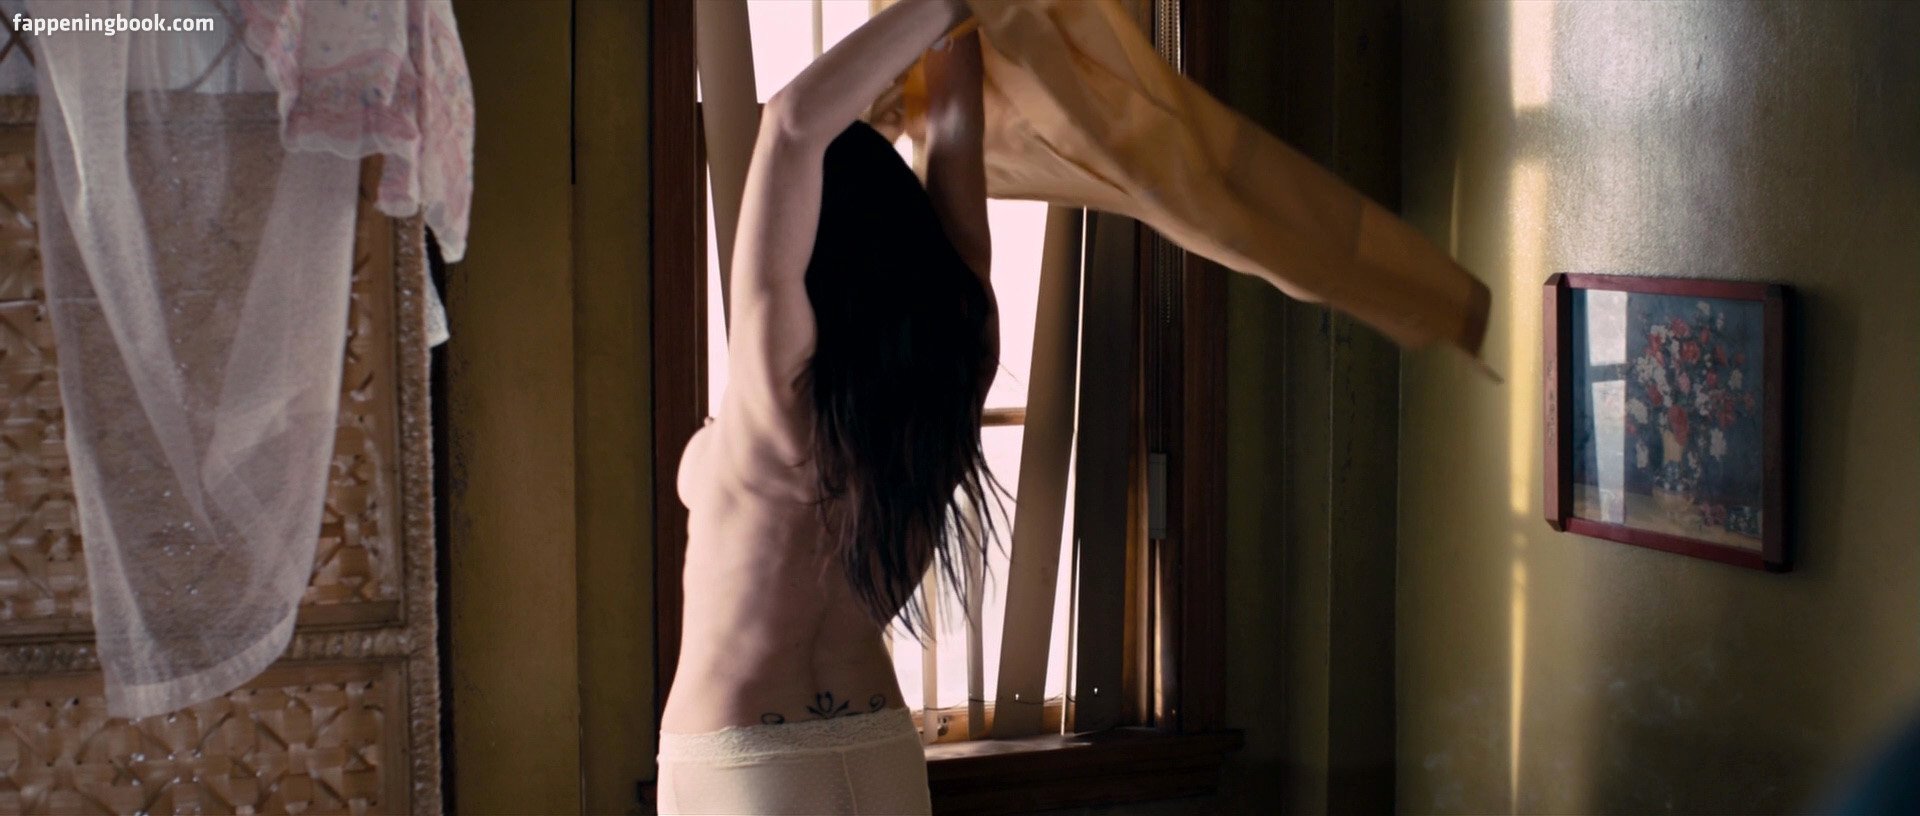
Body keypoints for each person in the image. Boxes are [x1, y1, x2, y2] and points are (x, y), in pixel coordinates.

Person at [655, 1, 1001, 813]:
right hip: (879, 747)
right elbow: (954, 134)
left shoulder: (779, 389)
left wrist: (942, 6)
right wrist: (951, 33)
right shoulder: (956, 360)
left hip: (743, 758)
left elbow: (791, 126)